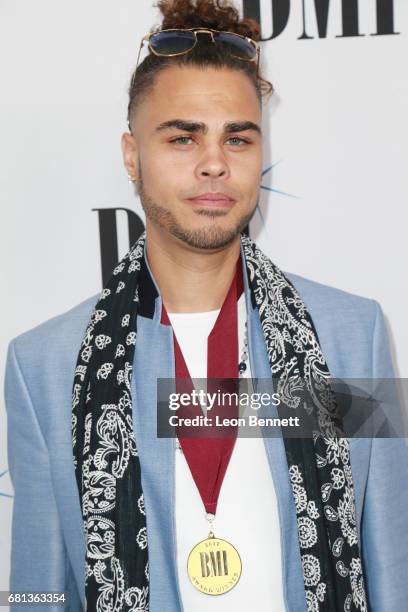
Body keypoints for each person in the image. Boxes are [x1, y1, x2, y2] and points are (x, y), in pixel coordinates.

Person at [4, 1, 408, 611]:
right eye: (182, 136)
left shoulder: (349, 335)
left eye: (237, 138)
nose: (214, 163)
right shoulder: (46, 367)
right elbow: (37, 592)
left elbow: (391, 568)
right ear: (132, 155)